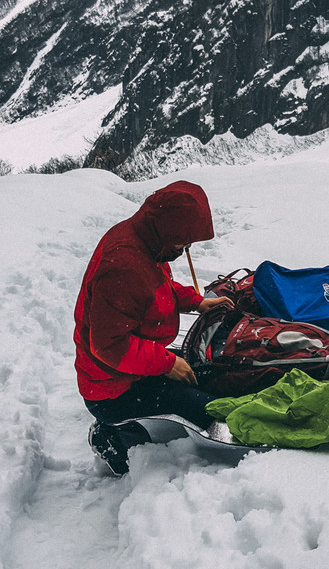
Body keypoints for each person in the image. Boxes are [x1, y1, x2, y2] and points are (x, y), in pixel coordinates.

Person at [73, 180, 233, 475]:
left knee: (204, 375)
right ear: (166, 231)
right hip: (110, 388)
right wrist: (168, 363)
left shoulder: (144, 240)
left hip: (128, 368)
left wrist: (196, 302)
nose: (184, 249)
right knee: (206, 409)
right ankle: (112, 435)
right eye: (182, 243)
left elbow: (155, 289)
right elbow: (109, 345)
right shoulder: (123, 264)